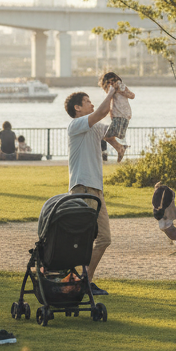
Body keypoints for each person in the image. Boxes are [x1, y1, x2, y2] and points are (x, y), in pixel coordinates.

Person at [65, 86, 117, 294]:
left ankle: (85, 280)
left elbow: (109, 132)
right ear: (77, 108)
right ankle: (79, 281)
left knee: (104, 238)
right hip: (82, 187)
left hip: (96, 189)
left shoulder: (95, 126)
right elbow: (101, 113)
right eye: (87, 101)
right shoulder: (76, 124)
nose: (92, 104)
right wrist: (112, 91)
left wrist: (119, 147)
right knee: (83, 239)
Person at [99, 72, 136, 161]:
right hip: (117, 115)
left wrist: (120, 91)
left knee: (108, 137)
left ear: (116, 79)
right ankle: (120, 148)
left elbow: (132, 95)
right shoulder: (111, 89)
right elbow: (111, 102)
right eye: (109, 82)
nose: (111, 83)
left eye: (113, 81)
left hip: (123, 114)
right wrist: (111, 113)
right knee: (107, 136)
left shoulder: (120, 86)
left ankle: (120, 148)